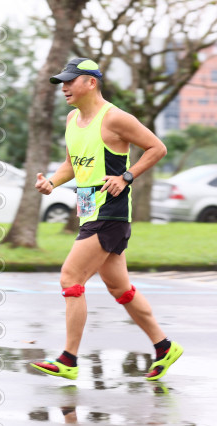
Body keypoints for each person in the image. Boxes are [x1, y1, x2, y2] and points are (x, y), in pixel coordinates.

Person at [29, 58, 183, 381]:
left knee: (71, 278)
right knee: (120, 288)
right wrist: (51, 183)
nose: (64, 87)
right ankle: (164, 347)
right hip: (90, 211)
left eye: (70, 81)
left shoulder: (114, 118)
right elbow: (72, 164)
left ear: (91, 82)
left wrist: (127, 176)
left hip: (110, 213)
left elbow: (157, 148)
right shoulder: (72, 119)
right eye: (62, 82)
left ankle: (68, 359)